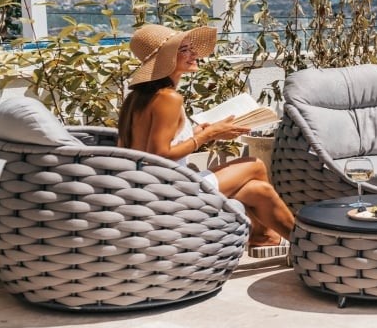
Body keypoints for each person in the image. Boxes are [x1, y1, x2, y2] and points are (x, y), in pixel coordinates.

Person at [117, 23, 294, 259]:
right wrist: (207, 135)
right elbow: (159, 154)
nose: (194, 54)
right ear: (165, 60)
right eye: (184, 50)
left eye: (191, 48)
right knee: (255, 166)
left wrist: (201, 132)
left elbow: (149, 148)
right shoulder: (169, 98)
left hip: (149, 189)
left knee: (257, 189)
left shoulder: (137, 98)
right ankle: (297, 243)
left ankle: (269, 238)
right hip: (169, 192)